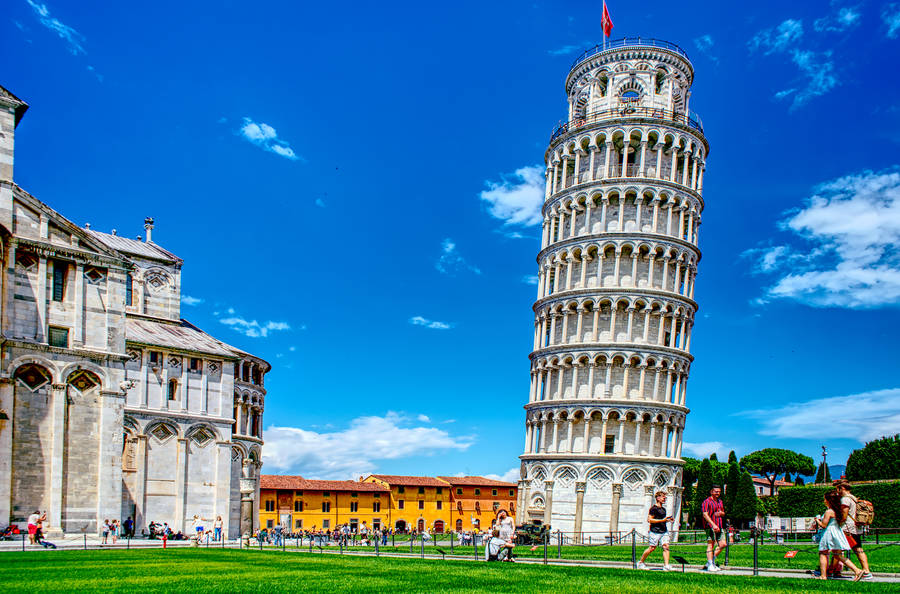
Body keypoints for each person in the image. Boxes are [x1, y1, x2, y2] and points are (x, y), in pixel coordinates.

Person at [814, 490, 863, 581]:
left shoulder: (829, 512)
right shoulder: (839, 511)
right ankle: (857, 570)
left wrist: (817, 520)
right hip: (837, 532)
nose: (824, 501)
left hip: (829, 533)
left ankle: (823, 576)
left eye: (825, 499)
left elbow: (824, 525)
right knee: (838, 555)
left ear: (829, 500)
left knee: (823, 553)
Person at [831, 479, 873, 581]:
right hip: (856, 528)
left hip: (847, 528)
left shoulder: (845, 499)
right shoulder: (854, 498)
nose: (837, 491)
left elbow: (844, 516)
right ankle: (866, 571)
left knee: (837, 550)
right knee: (858, 550)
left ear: (842, 488)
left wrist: (837, 522)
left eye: (838, 489)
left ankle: (834, 571)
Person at [637, 491, 673, 571]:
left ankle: (666, 565)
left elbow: (662, 520)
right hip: (655, 531)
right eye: (663, 497)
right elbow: (649, 520)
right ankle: (640, 562)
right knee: (652, 548)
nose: (665, 499)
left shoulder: (663, 509)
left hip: (664, 531)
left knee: (666, 546)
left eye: (665, 497)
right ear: (658, 498)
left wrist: (668, 520)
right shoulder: (653, 509)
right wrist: (662, 520)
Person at [701, 485, 726, 571]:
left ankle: (711, 560)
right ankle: (710, 564)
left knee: (723, 544)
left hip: (719, 525)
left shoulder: (720, 501)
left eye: (719, 492)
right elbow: (705, 514)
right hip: (710, 526)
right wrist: (713, 524)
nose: (717, 493)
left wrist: (721, 513)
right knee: (710, 544)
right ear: (711, 492)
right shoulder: (707, 502)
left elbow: (722, 512)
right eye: (716, 492)